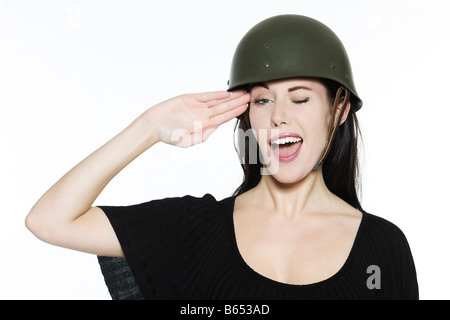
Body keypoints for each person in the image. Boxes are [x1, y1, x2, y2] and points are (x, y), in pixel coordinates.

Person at [26, 14, 419, 299]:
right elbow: (49, 220)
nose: (279, 115)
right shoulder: (193, 231)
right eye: (262, 99)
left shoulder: (382, 249)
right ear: (246, 113)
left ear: (339, 110)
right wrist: (148, 126)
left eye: (300, 98)